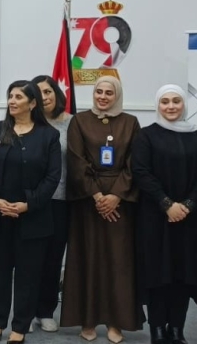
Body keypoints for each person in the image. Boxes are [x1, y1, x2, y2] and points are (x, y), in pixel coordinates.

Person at [0, 80, 63, 344]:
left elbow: (52, 177)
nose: (12, 101)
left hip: (33, 218)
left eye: (18, 97)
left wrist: (29, 204)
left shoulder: (49, 135)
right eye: (10, 96)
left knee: (28, 275)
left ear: (32, 103)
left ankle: (20, 327)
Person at [132, 85, 197, 344]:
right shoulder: (146, 135)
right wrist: (167, 204)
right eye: (165, 101)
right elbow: (141, 172)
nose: (171, 106)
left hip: (190, 219)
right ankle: (158, 329)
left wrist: (188, 205)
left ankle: (177, 329)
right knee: (158, 274)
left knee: (183, 273)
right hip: (155, 217)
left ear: (184, 104)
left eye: (176, 101)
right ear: (158, 105)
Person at [61, 75, 143, 343]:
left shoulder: (131, 122)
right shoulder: (79, 121)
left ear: (117, 95)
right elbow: (76, 161)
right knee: (87, 260)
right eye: (99, 92)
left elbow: (134, 163)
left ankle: (115, 322)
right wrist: (97, 196)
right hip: (88, 202)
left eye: (109, 92)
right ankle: (87, 320)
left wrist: (116, 196)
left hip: (120, 203)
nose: (103, 97)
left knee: (118, 263)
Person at [30, 74, 71, 333]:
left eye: (48, 91)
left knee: (53, 258)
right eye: (38, 93)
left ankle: (45, 311)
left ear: (56, 93)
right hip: (32, 201)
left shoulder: (72, 123)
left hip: (61, 201)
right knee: (30, 259)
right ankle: (25, 310)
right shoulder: (27, 123)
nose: (44, 97)